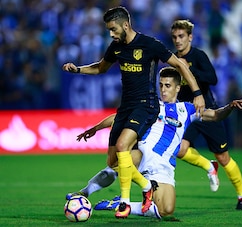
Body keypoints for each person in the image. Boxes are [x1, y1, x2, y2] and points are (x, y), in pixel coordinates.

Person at [62, 6, 205, 219]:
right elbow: (101, 68)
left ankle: (127, 201)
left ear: (125, 25)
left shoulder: (150, 45)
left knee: (122, 146)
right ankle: (87, 192)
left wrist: (197, 92)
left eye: (113, 29)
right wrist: (79, 69)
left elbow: (179, 65)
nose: (110, 34)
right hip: (126, 107)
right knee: (114, 163)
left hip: (146, 105)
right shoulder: (116, 47)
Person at [71, 67, 242, 219]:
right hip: (143, 157)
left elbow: (215, 115)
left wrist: (229, 107)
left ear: (178, 88)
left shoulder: (187, 109)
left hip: (164, 167)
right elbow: (119, 117)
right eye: (161, 85)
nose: (163, 89)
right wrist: (96, 128)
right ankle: (84, 192)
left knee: (166, 210)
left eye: (168, 86)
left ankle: (119, 205)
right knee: (117, 162)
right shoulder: (151, 105)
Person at [170, 19, 242, 210]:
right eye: (174, 37)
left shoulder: (198, 56)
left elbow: (212, 78)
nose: (177, 40)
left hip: (206, 111)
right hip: (186, 112)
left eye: (181, 36)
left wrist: (188, 69)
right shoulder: (172, 58)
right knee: (180, 150)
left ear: (190, 37)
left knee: (223, 157)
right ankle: (208, 166)